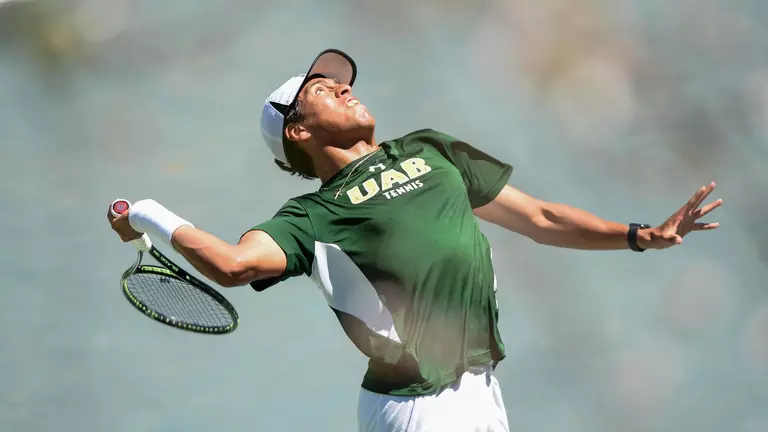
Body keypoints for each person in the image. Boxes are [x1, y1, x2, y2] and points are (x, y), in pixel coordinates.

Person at [107, 48, 722, 432]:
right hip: (418, 405)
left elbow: (540, 217)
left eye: (340, 82)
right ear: (297, 131)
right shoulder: (311, 216)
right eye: (321, 90)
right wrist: (150, 213)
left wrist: (642, 235)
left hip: (481, 389)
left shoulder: (431, 149)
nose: (343, 87)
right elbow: (234, 264)